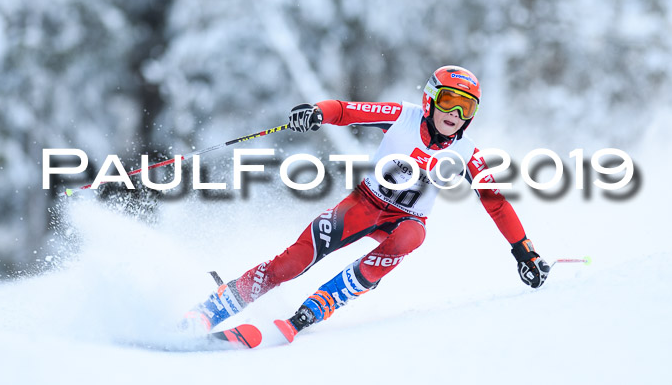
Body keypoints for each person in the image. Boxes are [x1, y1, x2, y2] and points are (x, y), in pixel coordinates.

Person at [183, 66, 550, 342]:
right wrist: (318, 112)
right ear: (430, 99)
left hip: (405, 219)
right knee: (293, 261)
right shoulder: (402, 116)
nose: (455, 114)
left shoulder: (467, 153)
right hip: (365, 204)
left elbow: (496, 202)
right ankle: (212, 310)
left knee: (411, 236)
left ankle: (311, 311)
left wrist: (524, 251)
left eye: (466, 106)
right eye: (449, 100)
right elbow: (345, 110)